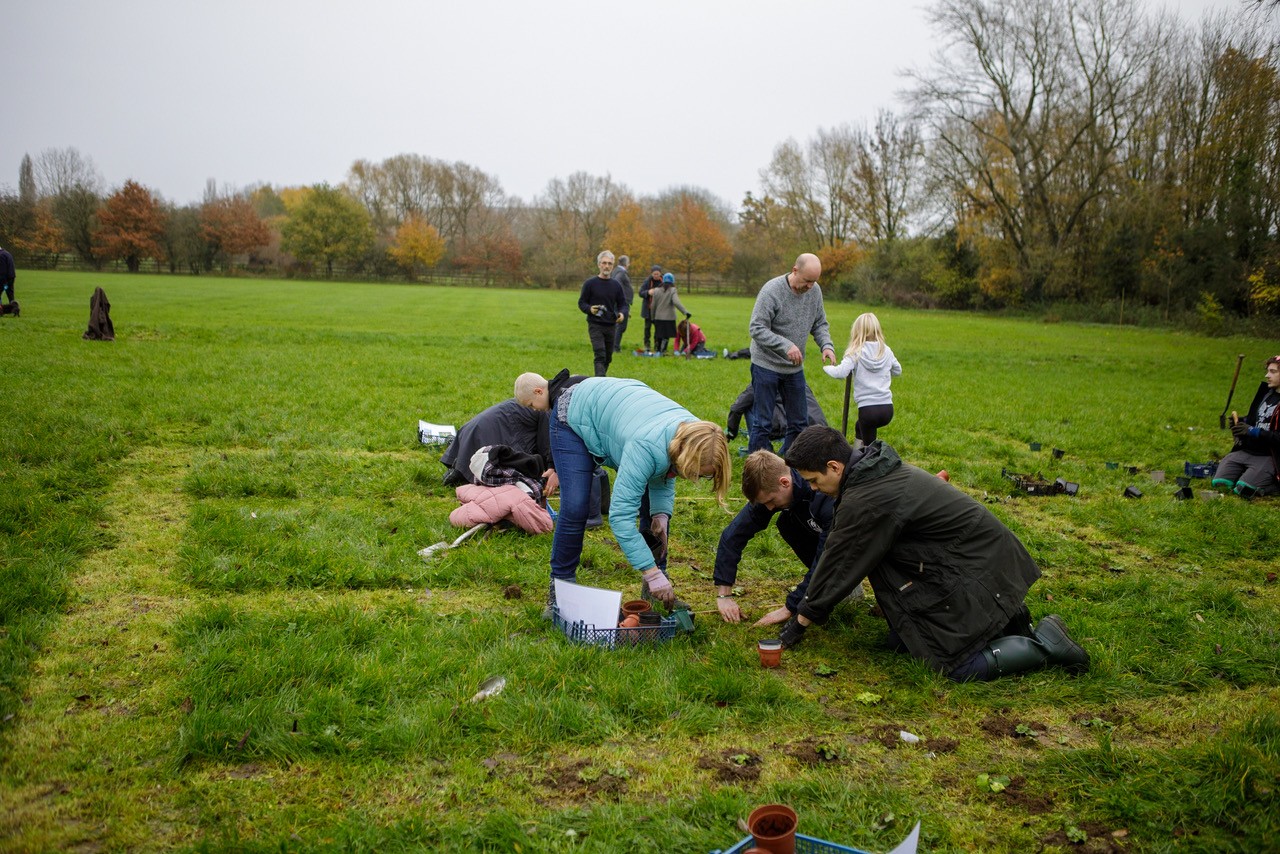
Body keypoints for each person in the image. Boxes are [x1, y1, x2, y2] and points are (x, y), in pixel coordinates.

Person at [778, 425, 1090, 682]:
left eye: (814, 481)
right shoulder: (873, 472)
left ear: (835, 467)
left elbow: (839, 564)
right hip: (980, 558)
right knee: (903, 641)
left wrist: (798, 625)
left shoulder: (867, 498)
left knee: (950, 664)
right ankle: (1010, 622)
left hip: (978, 565)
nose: (814, 489)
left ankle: (1041, 644)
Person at [545, 377, 730, 616]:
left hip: (623, 413)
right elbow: (621, 517)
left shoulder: (698, 435)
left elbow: (665, 471)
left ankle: (654, 590)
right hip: (575, 414)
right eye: (694, 473)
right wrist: (650, 571)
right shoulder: (647, 446)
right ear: (686, 457)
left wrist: (661, 515)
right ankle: (560, 591)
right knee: (577, 505)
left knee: (653, 511)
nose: (693, 479)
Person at [713, 450, 842, 625]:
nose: (769, 507)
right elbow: (733, 535)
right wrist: (724, 594)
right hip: (817, 530)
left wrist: (789, 607)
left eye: (771, 501)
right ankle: (828, 589)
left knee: (825, 554)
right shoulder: (771, 492)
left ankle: (837, 586)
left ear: (784, 482)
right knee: (786, 523)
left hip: (855, 543)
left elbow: (827, 557)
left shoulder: (824, 493)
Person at [747, 253, 837, 453]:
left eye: (814, 281)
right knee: (763, 423)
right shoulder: (772, 291)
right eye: (807, 281)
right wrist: (786, 345)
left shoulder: (815, 292)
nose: (810, 286)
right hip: (766, 365)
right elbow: (756, 328)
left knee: (798, 422)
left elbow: (820, 323)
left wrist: (826, 346)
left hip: (794, 368)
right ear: (795, 270)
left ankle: (787, 462)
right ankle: (758, 467)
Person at [823, 312, 901, 446]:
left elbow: (841, 373)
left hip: (868, 409)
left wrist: (826, 368)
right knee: (860, 427)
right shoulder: (886, 351)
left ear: (856, 331)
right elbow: (897, 370)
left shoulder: (855, 352)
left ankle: (866, 463)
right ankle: (856, 455)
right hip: (887, 409)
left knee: (869, 448)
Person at [1212, 355, 1280, 498]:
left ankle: (1271, 486)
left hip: (1269, 456)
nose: (1267, 375)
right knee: (1220, 483)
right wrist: (1240, 422)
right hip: (1246, 451)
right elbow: (1255, 420)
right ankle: (1248, 475)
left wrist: (1252, 431)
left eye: (1273, 372)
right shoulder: (1266, 393)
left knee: (1243, 490)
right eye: (1268, 371)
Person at [726, 383, 828, 452]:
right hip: (821, 432)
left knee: (749, 405)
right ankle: (784, 448)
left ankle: (762, 449)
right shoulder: (799, 379)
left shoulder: (764, 378)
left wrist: (730, 433)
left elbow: (737, 408)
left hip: (795, 432)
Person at [578, 251, 626, 376]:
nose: (607, 266)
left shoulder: (616, 285)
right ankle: (600, 382)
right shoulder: (590, 284)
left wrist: (622, 314)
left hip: (611, 325)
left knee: (608, 357)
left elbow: (623, 304)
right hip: (595, 324)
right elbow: (582, 302)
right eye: (604, 263)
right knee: (600, 353)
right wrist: (590, 309)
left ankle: (600, 380)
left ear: (613, 266)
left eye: (609, 263)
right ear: (599, 264)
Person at [650, 272, 690, 354]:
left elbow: (653, 305)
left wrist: (652, 317)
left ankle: (658, 350)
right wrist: (685, 312)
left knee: (659, 335)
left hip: (658, 317)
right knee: (666, 335)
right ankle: (663, 350)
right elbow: (676, 302)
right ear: (672, 281)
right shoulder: (673, 290)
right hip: (669, 318)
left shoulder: (656, 290)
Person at [639, 265, 662, 351]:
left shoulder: (663, 281)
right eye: (654, 274)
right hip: (648, 310)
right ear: (651, 274)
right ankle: (647, 345)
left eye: (657, 274)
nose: (656, 276)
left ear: (660, 273)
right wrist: (648, 292)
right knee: (647, 328)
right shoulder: (647, 281)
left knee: (658, 329)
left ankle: (657, 345)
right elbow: (640, 292)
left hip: (659, 310)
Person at [613, 255, 632, 353]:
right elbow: (617, 283)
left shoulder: (617, 271)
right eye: (628, 262)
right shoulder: (621, 273)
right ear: (626, 263)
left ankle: (614, 346)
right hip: (621, 302)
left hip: (620, 303)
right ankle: (615, 347)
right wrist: (623, 303)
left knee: (618, 325)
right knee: (621, 325)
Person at [0, 245, 16, 314]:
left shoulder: (1, 255)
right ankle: (14, 308)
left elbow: (2, 270)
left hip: (4, 278)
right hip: (11, 276)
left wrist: (4, 281)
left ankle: (1, 310)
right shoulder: (7, 253)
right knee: (10, 294)